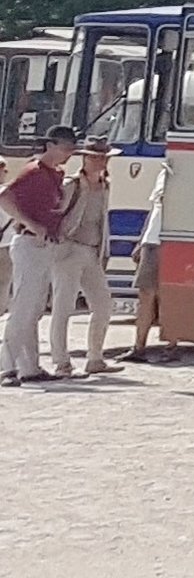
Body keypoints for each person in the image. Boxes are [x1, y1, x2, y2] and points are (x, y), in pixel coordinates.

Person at [0, 125, 78, 385]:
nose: (68, 154)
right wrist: (31, 223)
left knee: (34, 310)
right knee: (23, 307)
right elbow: (5, 196)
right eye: (65, 148)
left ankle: (29, 367)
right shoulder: (33, 171)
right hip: (29, 243)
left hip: (45, 246)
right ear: (51, 145)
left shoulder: (55, 174)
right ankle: (6, 366)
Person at [52, 135, 118, 376]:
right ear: (85, 159)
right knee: (63, 307)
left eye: (104, 158)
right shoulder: (72, 185)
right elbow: (57, 213)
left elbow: (102, 221)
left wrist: (104, 251)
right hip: (68, 249)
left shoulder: (105, 185)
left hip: (91, 251)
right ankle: (61, 362)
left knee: (103, 304)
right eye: (96, 157)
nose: (101, 162)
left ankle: (95, 358)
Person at [124, 159, 170, 363]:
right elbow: (154, 208)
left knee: (169, 295)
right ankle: (139, 346)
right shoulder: (163, 171)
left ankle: (172, 344)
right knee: (145, 294)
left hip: (173, 239)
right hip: (152, 240)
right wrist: (141, 241)